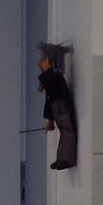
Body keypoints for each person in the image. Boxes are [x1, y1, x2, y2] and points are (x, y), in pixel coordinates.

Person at [37, 42, 76, 171]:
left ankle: (66, 158)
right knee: (64, 130)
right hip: (57, 106)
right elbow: (49, 98)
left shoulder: (54, 77)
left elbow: (51, 96)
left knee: (66, 130)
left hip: (60, 105)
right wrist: (50, 120)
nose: (40, 63)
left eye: (43, 60)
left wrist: (50, 119)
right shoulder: (51, 77)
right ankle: (62, 158)